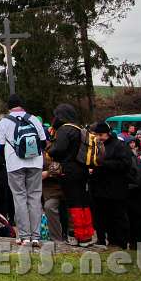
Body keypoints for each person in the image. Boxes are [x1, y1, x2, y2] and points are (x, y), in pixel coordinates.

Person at [0, 95, 46, 246]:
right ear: (22, 105)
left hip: (14, 163)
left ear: (9, 107)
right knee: (35, 197)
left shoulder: (4, 122)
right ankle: (36, 236)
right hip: (35, 162)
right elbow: (43, 142)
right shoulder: (34, 119)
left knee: (20, 198)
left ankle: (24, 236)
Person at [48, 104, 94, 246]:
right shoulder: (80, 129)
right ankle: (87, 235)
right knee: (83, 203)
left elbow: (58, 149)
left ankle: (79, 236)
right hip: (83, 171)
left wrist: (50, 149)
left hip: (69, 171)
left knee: (73, 204)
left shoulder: (64, 130)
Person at [89, 122, 131, 249]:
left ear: (107, 133)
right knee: (100, 215)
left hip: (115, 188)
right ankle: (101, 239)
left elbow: (125, 164)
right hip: (98, 187)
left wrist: (103, 164)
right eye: (96, 135)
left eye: (101, 135)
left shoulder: (119, 145)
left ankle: (120, 242)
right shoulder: (95, 145)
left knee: (117, 216)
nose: (98, 137)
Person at [42, 129, 66, 242]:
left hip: (57, 188)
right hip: (40, 188)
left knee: (49, 207)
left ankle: (57, 239)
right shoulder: (33, 149)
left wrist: (47, 173)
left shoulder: (54, 148)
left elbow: (59, 166)